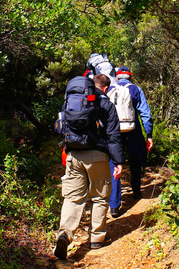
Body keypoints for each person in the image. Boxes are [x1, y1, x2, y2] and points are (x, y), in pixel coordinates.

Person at [54, 74, 125, 260]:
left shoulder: (73, 100)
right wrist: (118, 161)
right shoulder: (106, 105)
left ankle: (65, 234)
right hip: (98, 156)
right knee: (99, 197)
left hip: (74, 155)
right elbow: (113, 135)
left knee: (72, 197)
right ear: (104, 88)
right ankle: (96, 238)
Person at [108, 66, 153, 218]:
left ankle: (114, 206)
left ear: (117, 77)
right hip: (132, 131)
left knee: (114, 165)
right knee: (135, 159)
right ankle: (136, 190)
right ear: (130, 77)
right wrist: (149, 134)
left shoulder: (109, 89)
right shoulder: (135, 89)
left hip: (113, 132)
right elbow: (145, 113)